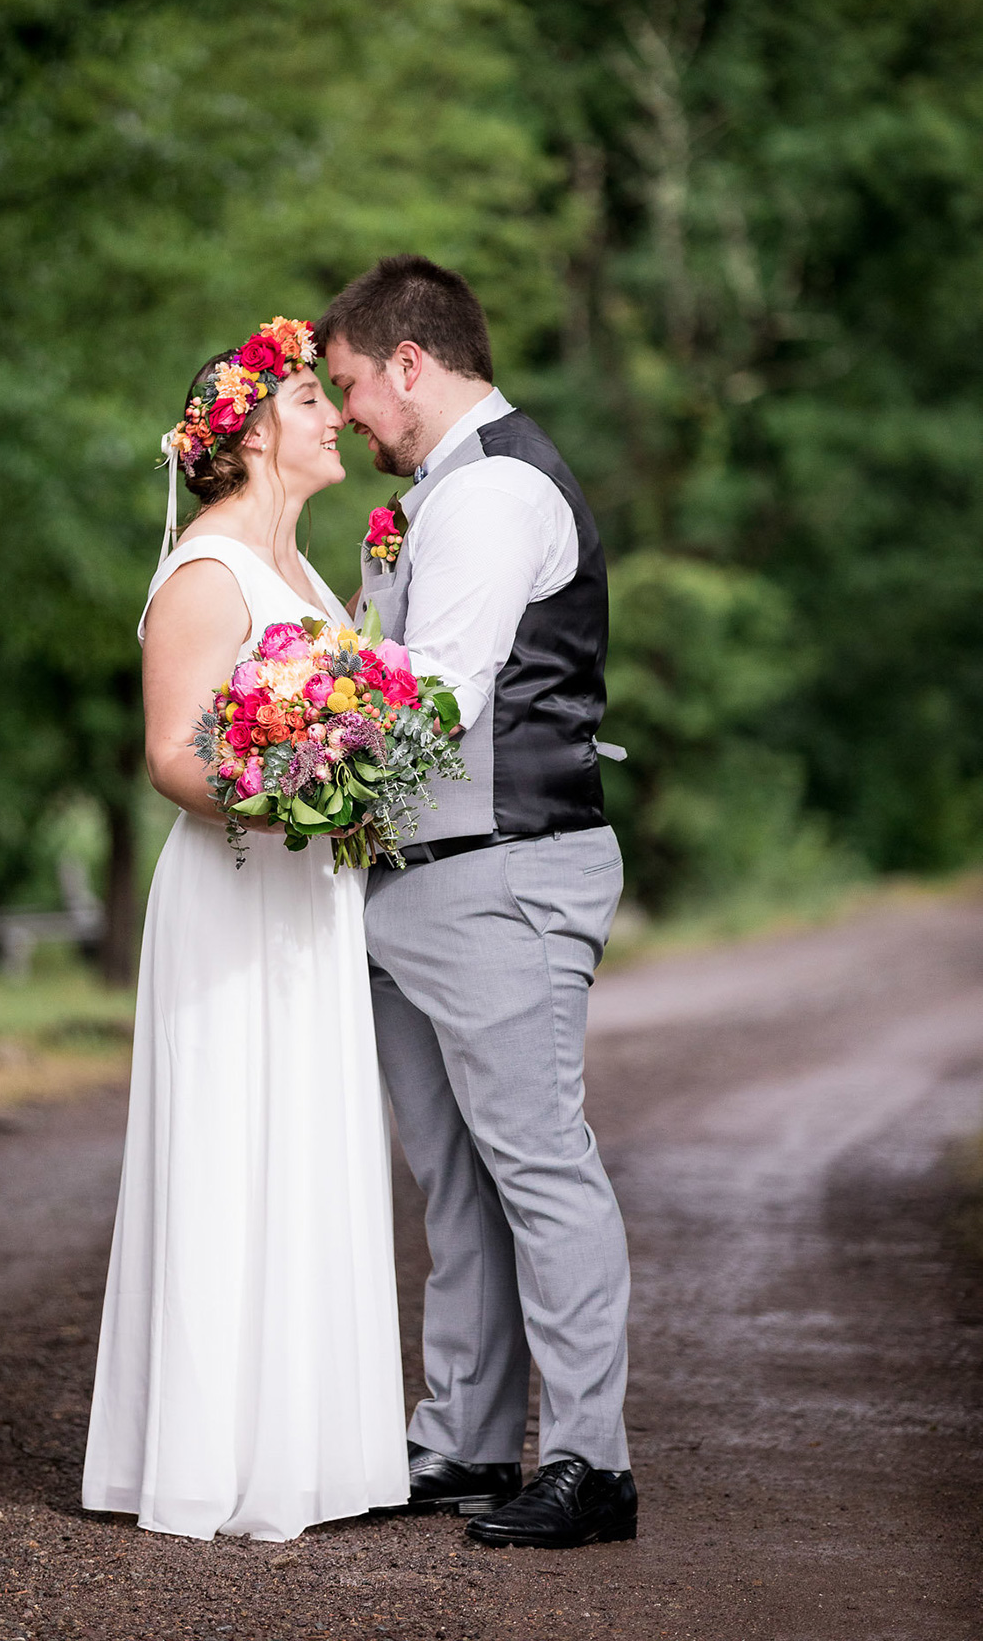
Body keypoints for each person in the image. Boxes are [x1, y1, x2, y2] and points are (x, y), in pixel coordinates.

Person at [317, 255, 638, 1550]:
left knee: (537, 1166)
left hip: (505, 872)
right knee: (453, 1182)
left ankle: (590, 1462)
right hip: (412, 880)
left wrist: (287, 757)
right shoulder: (431, 498)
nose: (345, 416)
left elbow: (437, 688)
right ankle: (460, 1439)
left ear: (410, 362)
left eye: (348, 387)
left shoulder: (497, 488)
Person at [81, 319, 409, 1542]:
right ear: (259, 430)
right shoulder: (209, 572)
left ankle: (313, 1452)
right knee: (232, 1144)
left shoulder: (310, 573)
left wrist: (354, 778)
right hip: (234, 888)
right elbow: (173, 755)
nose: (336, 417)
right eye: (316, 401)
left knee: (310, 1140)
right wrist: (288, 793)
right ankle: (209, 1458)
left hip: (308, 896)